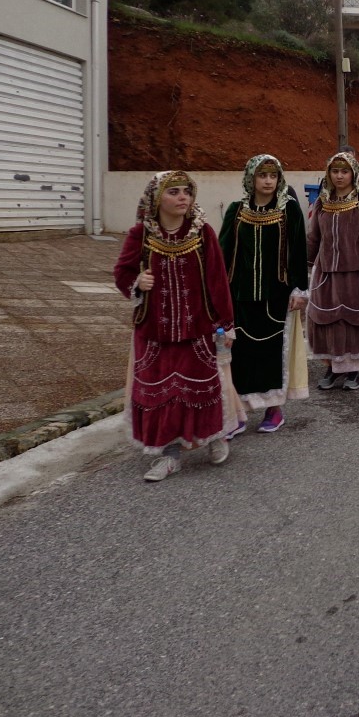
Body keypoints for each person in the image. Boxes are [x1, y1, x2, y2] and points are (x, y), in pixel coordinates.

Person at [113, 171, 238, 482]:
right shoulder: (141, 234)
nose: (183, 197)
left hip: (197, 328)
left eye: (187, 191)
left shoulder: (202, 232)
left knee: (204, 387)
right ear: (157, 198)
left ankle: (213, 436)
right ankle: (170, 456)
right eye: (174, 192)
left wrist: (226, 324)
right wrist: (137, 282)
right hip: (154, 332)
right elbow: (122, 272)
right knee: (161, 394)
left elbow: (217, 280)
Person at [219, 154, 309, 436]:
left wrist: (300, 289)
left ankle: (274, 409)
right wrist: (218, 293)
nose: (268, 181)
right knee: (241, 353)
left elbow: (298, 250)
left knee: (272, 352)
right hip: (240, 295)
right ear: (251, 178)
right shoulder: (236, 211)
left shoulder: (288, 209)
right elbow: (222, 253)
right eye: (262, 175)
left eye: (273, 175)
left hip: (277, 295)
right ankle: (239, 412)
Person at [307, 150, 359, 391]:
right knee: (329, 321)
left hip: (358, 271)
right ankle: (333, 368)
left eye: (344, 171)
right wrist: (306, 268)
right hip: (326, 274)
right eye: (335, 171)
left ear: (353, 173)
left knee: (355, 320)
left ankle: (354, 370)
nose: (339, 176)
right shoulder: (322, 201)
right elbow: (313, 237)